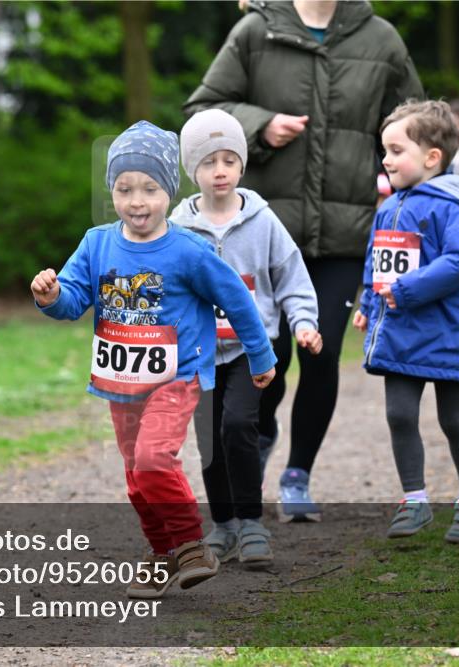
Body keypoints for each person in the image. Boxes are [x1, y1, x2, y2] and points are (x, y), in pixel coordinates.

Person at [184, 0, 423, 521]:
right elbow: (204, 113)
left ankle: (298, 475)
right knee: (264, 351)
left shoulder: (380, 39)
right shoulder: (255, 32)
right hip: (261, 236)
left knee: (322, 350)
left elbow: (415, 126)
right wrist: (260, 127)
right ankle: (260, 430)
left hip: (344, 235)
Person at [30, 120, 276, 599]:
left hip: (176, 376)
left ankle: (191, 546)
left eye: (149, 188)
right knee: (136, 476)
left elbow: (238, 300)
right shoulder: (97, 242)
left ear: (169, 192)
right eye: (124, 189)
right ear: (111, 192)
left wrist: (260, 355)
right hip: (120, 380)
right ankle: (161, 554)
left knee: (151, 458)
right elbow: (74, 299)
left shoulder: (189, 249)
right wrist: (51, 294)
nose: (136, 201)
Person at [170, 109, 321, 562]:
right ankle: (223, 524)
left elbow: (291, 277)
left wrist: (304, 322)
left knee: (238, 426)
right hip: (197, 353)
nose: (220, 171)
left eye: (229, 160)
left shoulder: (262, 221)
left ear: (241, 164)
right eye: (208, 162)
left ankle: (252, 524)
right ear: (191, 170)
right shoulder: (178, 228)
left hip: (251, 352)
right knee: (209, 442)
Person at [352, 100, 459, 542]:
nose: (386, 160)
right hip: (401, 331)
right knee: (398, 414)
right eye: (384, 151)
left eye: (395, 150)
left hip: (448, 331)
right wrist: (369, 306)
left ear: (432, 157)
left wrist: (407, 290)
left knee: (454, 419)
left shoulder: (450, 207)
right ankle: (414, 500)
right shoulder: (387, 208)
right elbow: (378, 266)